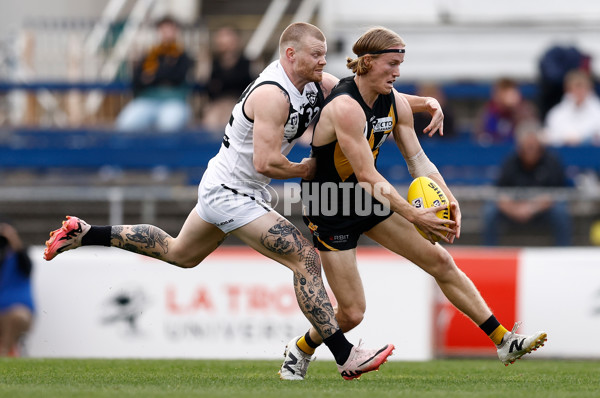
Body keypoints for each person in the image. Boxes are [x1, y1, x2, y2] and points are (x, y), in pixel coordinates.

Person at [43, 22, 446, 380]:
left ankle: (85, 232)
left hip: (229, 185)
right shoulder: (273, 94)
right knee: (304, 257)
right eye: (317, 55)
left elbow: (359, 91)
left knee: (179, 252)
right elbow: (266, 161)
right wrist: (307, 169)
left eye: (324, 55)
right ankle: (345, 355)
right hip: (231, 192)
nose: (325, 62)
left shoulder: (317, 83)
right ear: (291, 54)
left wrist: (423, 103)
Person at [278, 27, 547, 381]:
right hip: (330, 205)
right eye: (391, 64)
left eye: (400, 64)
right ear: (368, 63)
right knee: (352, 313)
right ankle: (300, 348)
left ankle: (504, 340)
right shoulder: (345, 108)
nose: (398, 72)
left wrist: (449, 198)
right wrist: (416, 213)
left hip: (366, 196)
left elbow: (418, 161)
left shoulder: (395, 102)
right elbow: (368, 176)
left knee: (440, 261)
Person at [483, 121, 572, 246]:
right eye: (527, 147)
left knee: (560, 211)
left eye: (533, 147)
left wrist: (531, 208)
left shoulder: (551, 161)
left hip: (542, 210)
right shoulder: (510, 161)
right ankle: (489, 253)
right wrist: (515, 209)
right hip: (514, 209)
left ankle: (563, 253)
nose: (530, 151)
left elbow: (556, 194)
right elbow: (499, 194)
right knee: (490, 211)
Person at [115, 15, 194, 132]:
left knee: (168, 125)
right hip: (147, 101)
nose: (167, 33)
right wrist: (165, 74)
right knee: (125, 124)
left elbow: (177, 77)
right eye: (163, 29)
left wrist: (152, 77)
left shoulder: (183, 55)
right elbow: (136, 80)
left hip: (174, 102)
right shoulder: (150, 54)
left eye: (170, 29)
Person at [201, 26, 255, 133]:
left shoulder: (248, 63)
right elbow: (203, 87)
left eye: (228, 37)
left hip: (239, 104)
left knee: (231, 121)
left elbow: (254, 88)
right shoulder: (211, 63)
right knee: (211, 121)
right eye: (221, 38)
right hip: (216, 104)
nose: (225, 43)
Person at [0, 218, 34, 357]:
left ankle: (5, 351)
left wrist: (12, 238)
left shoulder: (20, 257)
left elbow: (27, 267)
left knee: (17, 316)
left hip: (19, 313)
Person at [544, 69, 600, 146]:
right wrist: (565, 138)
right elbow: (549, 136)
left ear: (589, 88)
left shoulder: (598, 110)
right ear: (567, 90)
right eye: (576, 87)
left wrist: (587, 139)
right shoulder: (556, 113)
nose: (580, 91)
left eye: (583, 87)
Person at [474, 77, 537, 145]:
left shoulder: (525, 109)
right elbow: (479, 135)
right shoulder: (489, 111)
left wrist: (517, 109)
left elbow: (530, 134)